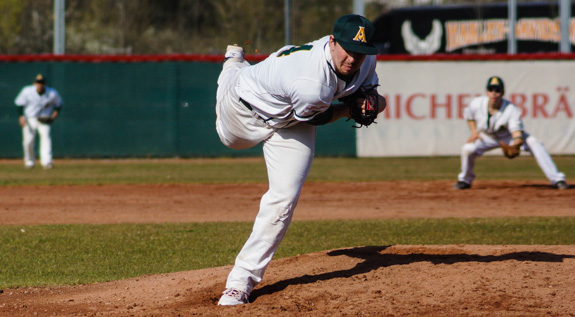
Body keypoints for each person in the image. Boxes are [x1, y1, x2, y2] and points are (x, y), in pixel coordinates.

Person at [214, 14, 386, 305]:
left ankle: (240, 281)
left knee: (284, 198)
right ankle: (233, 62)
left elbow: (371, 94)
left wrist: (372, 101)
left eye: (362, 52)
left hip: (290, 120)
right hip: (245, 111)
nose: (354, 58)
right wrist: (349, 109)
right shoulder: (311, 81)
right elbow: (318, 116)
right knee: (228, 133)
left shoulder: (366, 61)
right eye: (348, 50)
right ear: (332, 42)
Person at [453, 76, 568, 190]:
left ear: (502, 92)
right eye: (491, 89)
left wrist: (516, 144)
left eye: (497, 90)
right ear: (486, 92)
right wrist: (474, 131)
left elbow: (516, 132)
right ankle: (465, 180)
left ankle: (557, 179)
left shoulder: (511, 109)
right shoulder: (477, 103)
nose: (494, 93)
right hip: (486, 136)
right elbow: (469, 116)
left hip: (507, 136)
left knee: (534, 142)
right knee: (467, 149)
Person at [14, 74, 63, 169]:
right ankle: (29, 161)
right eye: (38, 83)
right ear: (34, 83)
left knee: (46, 138)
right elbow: (19, 104)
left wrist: (54, 116)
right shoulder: (27, 91)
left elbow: (59, 104)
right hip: (30, 118)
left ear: (45, 83)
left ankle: (47, 162)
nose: (40, 85)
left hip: (44, 118)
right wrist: (21, 117)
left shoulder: (52, 93)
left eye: (42, 83)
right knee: (28, 140)